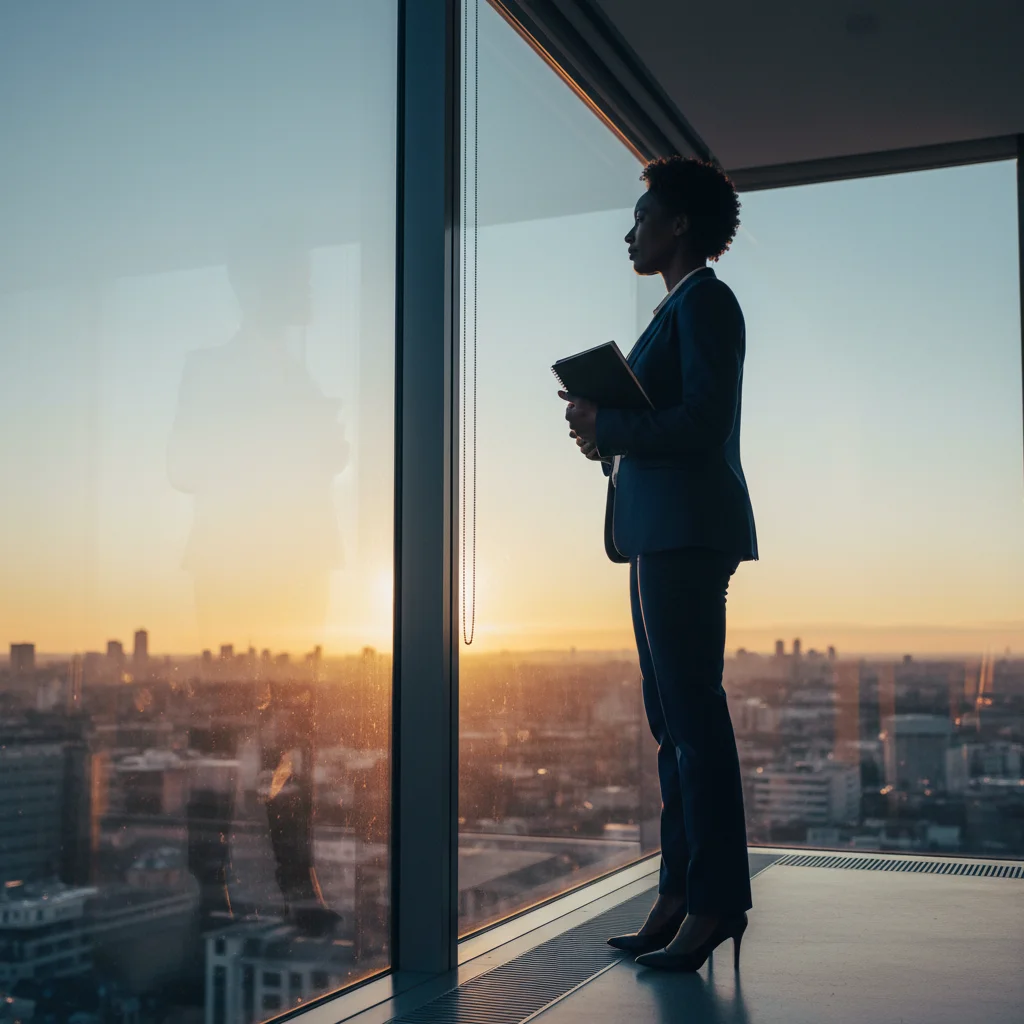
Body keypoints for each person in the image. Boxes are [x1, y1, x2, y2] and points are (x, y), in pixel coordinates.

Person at [559, 156, 757, 972]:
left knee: (693, 724)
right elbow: (665, 420)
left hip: (683, 530)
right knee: (673, 726)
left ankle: (713, 904)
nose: (629, 231)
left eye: (642, 215)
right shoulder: (679, 309)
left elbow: (702, 423)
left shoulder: (707, 304)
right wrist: (600, 430)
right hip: (658, 529)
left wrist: (611, 425)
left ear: (679, 225)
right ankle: (681, 895)